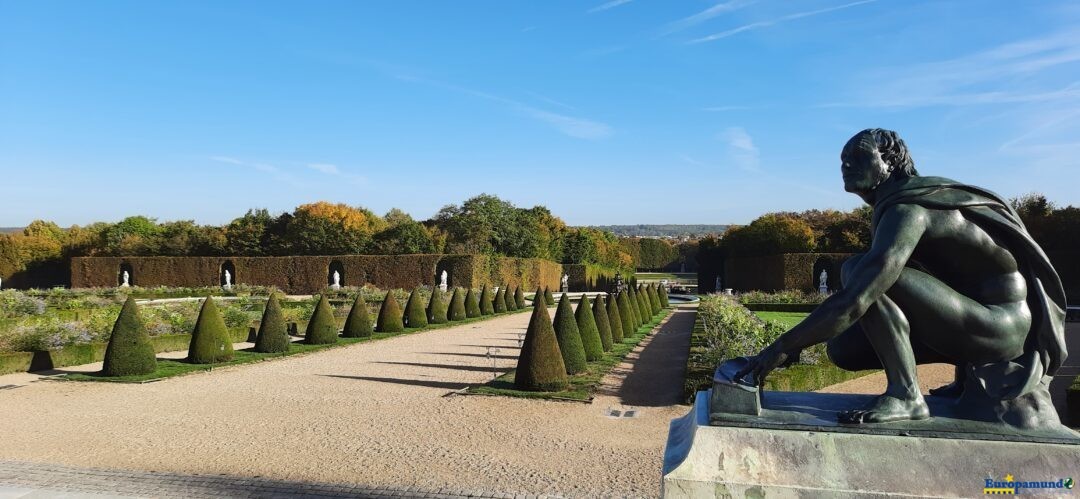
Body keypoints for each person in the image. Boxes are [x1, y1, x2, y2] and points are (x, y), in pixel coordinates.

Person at [737, 128, 1066, 426]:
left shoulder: (908, 210)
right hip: (986, 321)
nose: (846, 165)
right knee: (843, 350)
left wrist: (782, 347)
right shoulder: (910, 201)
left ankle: (906, 395)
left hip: (1001, 328)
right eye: (843, 159)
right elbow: (962, 278)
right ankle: (962, 378)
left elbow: (860, 297)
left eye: (858, 157)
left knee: (860, 271)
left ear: (889, 162)